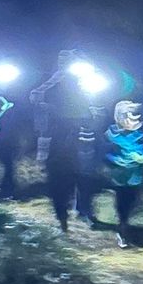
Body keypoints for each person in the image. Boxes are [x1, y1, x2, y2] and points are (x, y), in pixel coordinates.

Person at [30, 51, 90, 232]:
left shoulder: (83, 82)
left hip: (78, 137)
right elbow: (35, 95)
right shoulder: (55, 81)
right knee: (58, 179)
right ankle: (63, 217)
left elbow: (92, 106)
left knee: (82, 176)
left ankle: (83, 210)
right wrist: (48, 108)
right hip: (56, 138)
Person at [106, 99, 143, 248]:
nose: (135, 121)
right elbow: (104, 153)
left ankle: (125, 224)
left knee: (134, 201)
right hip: (120, 176)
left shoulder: (141, 135)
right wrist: (116, 160)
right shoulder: (111, 134)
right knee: (122, 204)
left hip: (135, 176)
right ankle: (122, 229)